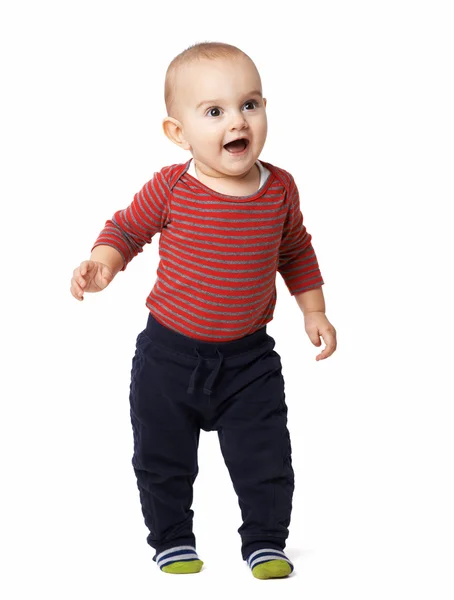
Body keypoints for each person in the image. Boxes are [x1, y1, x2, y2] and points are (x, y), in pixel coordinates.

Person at [70, 41, 337, 579]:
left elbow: (295, 250)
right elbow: (125, 228)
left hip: (249, 362)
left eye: (250, 104)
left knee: (266, 461)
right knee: (162, 459)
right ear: (178, 132)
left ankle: (265, 540)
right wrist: (103, 262)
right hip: (170, 356)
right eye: (214, 112)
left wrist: (314, 310)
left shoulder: (279, 188)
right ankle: (171, 538)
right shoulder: (172, 187)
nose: (237, 121)